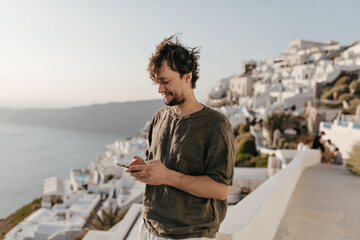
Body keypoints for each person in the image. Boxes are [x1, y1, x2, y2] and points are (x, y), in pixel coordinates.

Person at [126, 35, 235, 239]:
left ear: (187, 77)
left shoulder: (216, 124)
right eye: (157, 83)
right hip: (150, 228)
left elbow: (221, 190)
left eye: (165, 82)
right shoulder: (159, 118)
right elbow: (158, 167)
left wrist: (167, 176)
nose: (160, 90)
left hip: (189, 234)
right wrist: (143, 168)